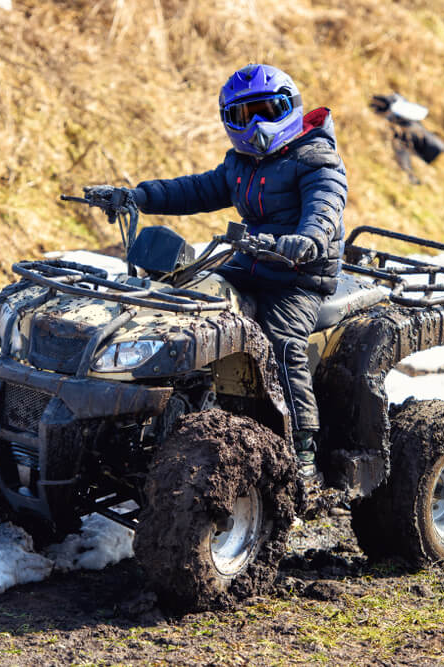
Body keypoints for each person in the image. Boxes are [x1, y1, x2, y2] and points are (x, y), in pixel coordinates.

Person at [91, 64, 347, 477]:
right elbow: (193, 189)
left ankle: (302, 449)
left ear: (292, 108)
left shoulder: (317, 160)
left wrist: (308, 241)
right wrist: (135, 196)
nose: (258, 123)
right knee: (185, 303)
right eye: (245, 116)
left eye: (269, 109)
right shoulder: (240, 163)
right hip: (250, 262)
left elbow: (325, 210)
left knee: (281, 343)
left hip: (298, 277)